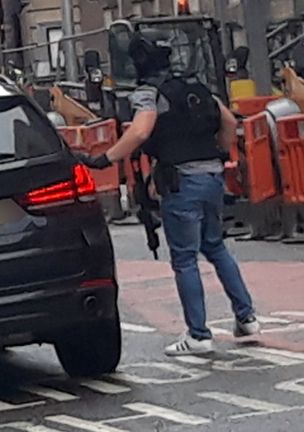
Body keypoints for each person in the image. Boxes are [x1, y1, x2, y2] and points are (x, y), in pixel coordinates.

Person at [77, 29, 260, 356]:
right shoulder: (194, 84)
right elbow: (229, 122)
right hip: (213, 176)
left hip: (182, 182)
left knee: (185, 258)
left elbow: (141, 130)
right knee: (215, 246)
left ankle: (198, 335)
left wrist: (105, 158)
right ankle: (247, 317)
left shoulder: (149, 93)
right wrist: (216, 152)